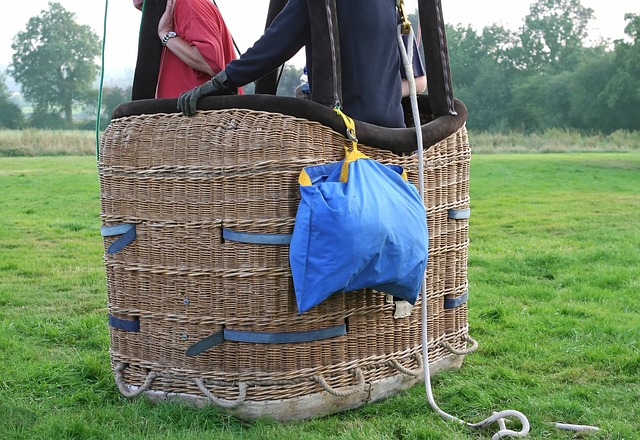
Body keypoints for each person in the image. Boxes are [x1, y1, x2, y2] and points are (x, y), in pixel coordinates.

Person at [177, 0, 425, 128]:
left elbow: (275, 45)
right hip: (393, 138)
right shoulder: (393, 3)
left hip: (346, 137)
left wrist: (222, 81)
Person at [132, 0, 241, 99]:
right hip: (186, 117)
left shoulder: (188, 4)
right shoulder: (169, 15)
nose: (135, 3)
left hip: (202, 117)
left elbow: (210, 63)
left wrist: (166, 34)